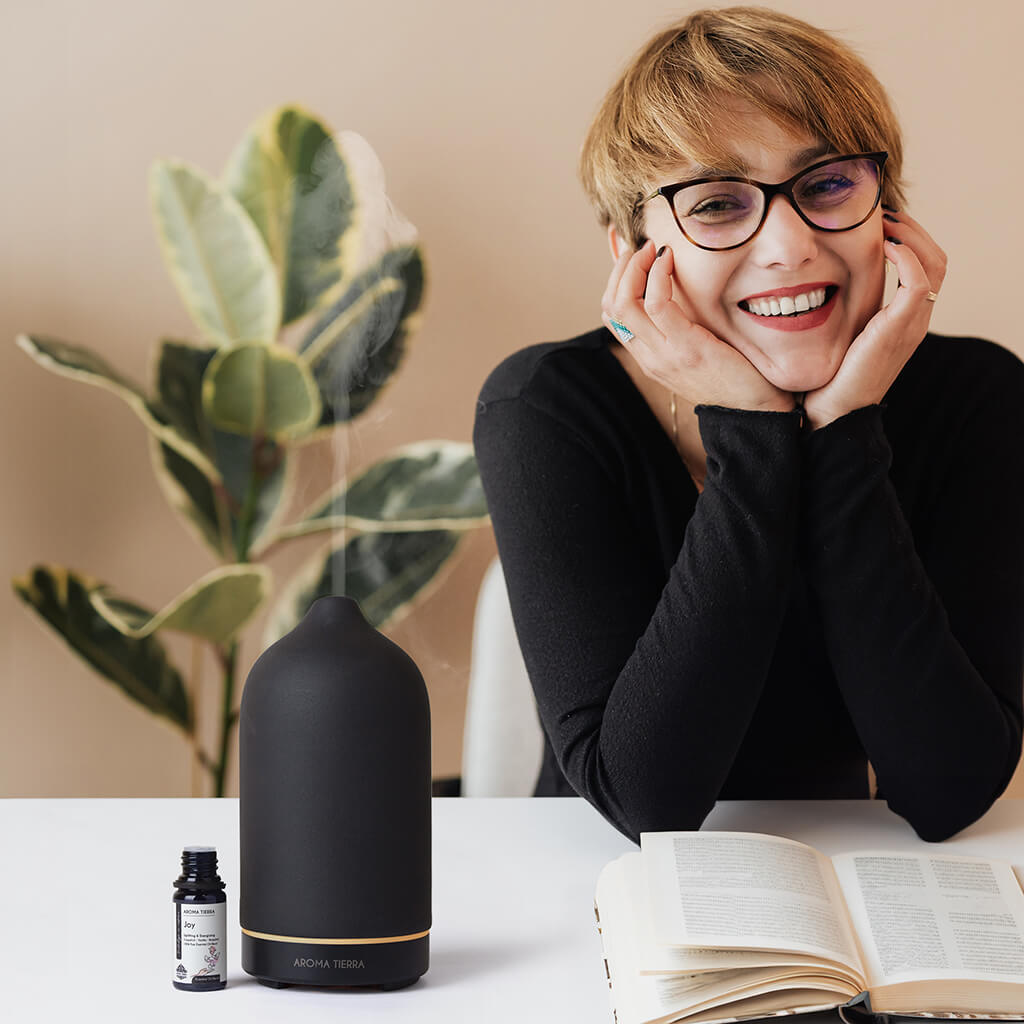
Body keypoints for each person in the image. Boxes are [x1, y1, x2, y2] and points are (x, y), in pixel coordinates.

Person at [472, 6, 1024, 844]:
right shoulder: (548, 407)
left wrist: (842, 426)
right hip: (594, 892)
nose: (789, 245)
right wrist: (753, 428)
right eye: (720, 204)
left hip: (860, 874)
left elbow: (951, 787)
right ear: (633, 251)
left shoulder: (977, 394)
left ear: (891, 214)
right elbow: (645, 799)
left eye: (828, 184)